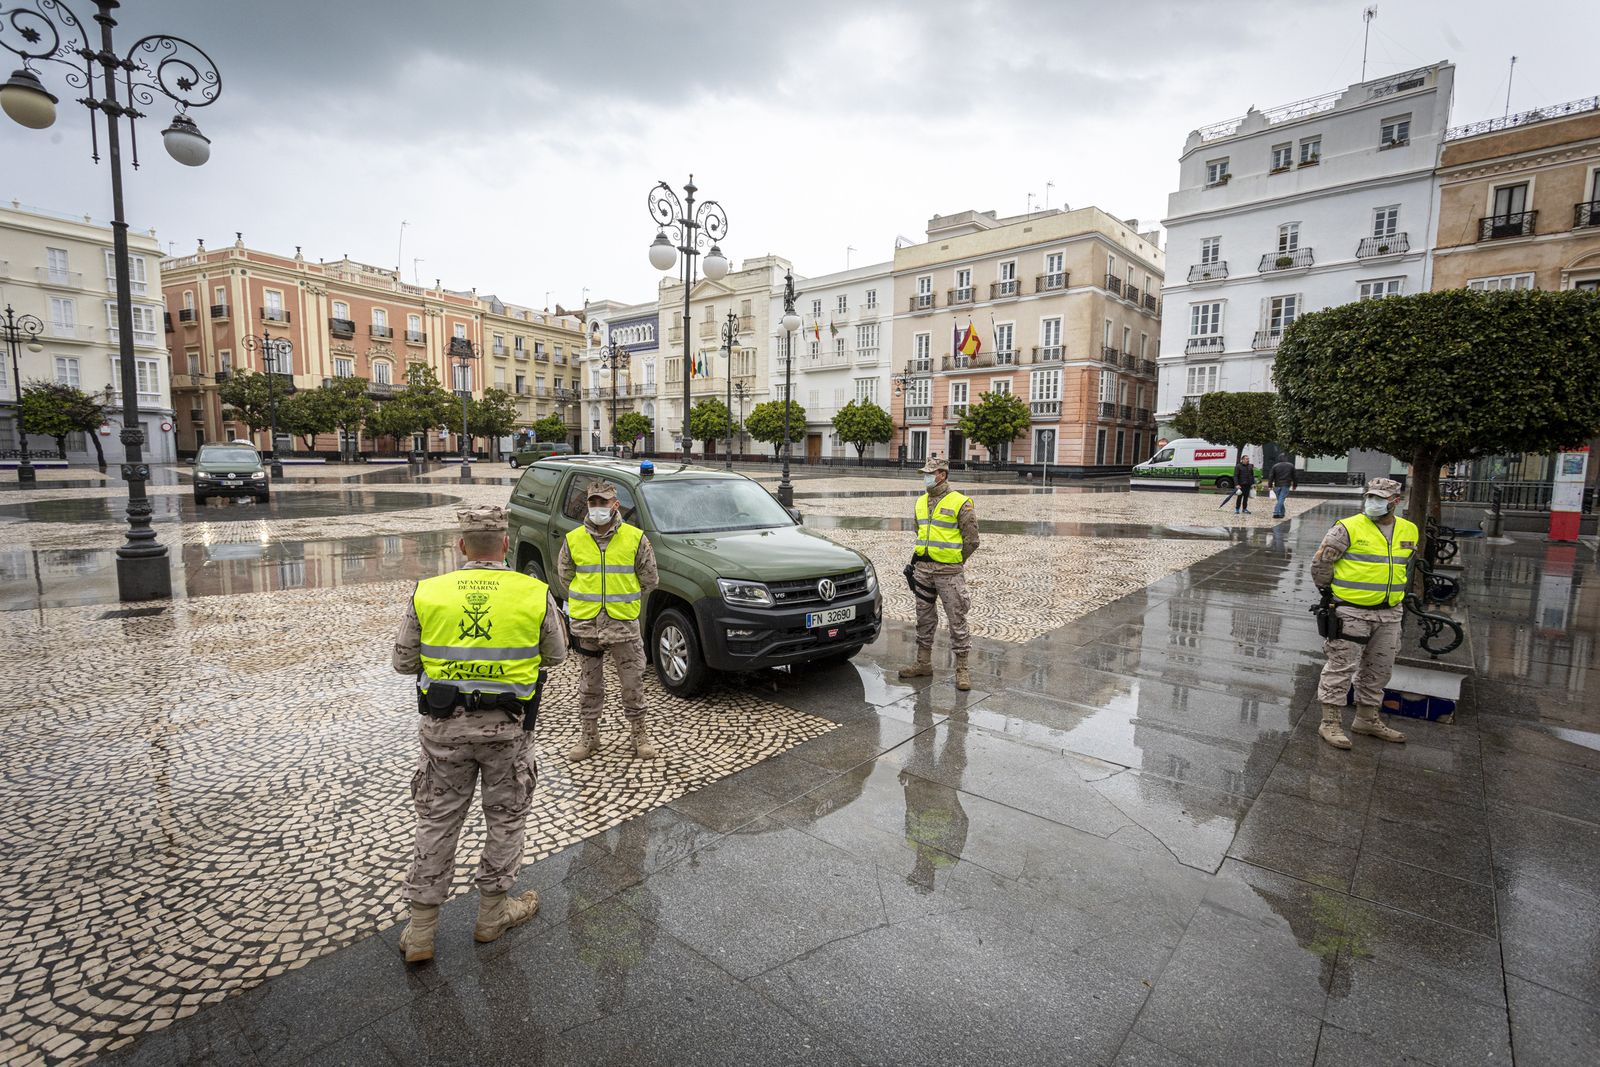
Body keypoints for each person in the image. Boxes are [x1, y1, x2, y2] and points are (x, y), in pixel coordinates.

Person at [392, 505, 568, 963]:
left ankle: (421, 931)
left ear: (462, 545)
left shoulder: (430, 592)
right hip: (508, 731)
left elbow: (403, 662)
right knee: (506, 818)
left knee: (437, 821)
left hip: (444, 731)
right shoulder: (533, 592)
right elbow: (557, 655)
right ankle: (492, 915)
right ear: (506, 545)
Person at [557, 479, 661, 761]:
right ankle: (589, 736)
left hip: (623, 624)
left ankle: (639, 734)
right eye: (593, 502)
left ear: (615, 504)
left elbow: (650, 579)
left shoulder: (636, 538)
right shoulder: (573, 539)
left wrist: (622, 597)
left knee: (633, 683)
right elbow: (565, 577)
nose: (597, 507)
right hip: (588, 624)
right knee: (589, 685)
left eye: (603, 502)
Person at [1311, 477, 1413, 749]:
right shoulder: (1346, 528)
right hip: (1351, 612)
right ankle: (1330, 723)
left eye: (1380, 498)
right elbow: (1321, 565)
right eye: (1370, 497)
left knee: (1380, 669)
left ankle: (1367, 719)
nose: (1373, 502)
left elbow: (1403, 566)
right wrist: (1331, 596)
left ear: (1395, 501)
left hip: (1389, 614)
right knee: (1341, 666)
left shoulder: (1409, 530)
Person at [898, 457, 980, 690]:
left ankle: (962, 669)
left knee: (957, 619)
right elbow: (919, 531)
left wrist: (955, 560)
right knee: (924, 618)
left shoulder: (961, 502)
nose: (926, 477)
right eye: (925, 473)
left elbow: (972, 540)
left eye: (929, 473)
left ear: (942, 475)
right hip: (923, 571)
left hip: (949, 572)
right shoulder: (920, 502)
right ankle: (923, 663)